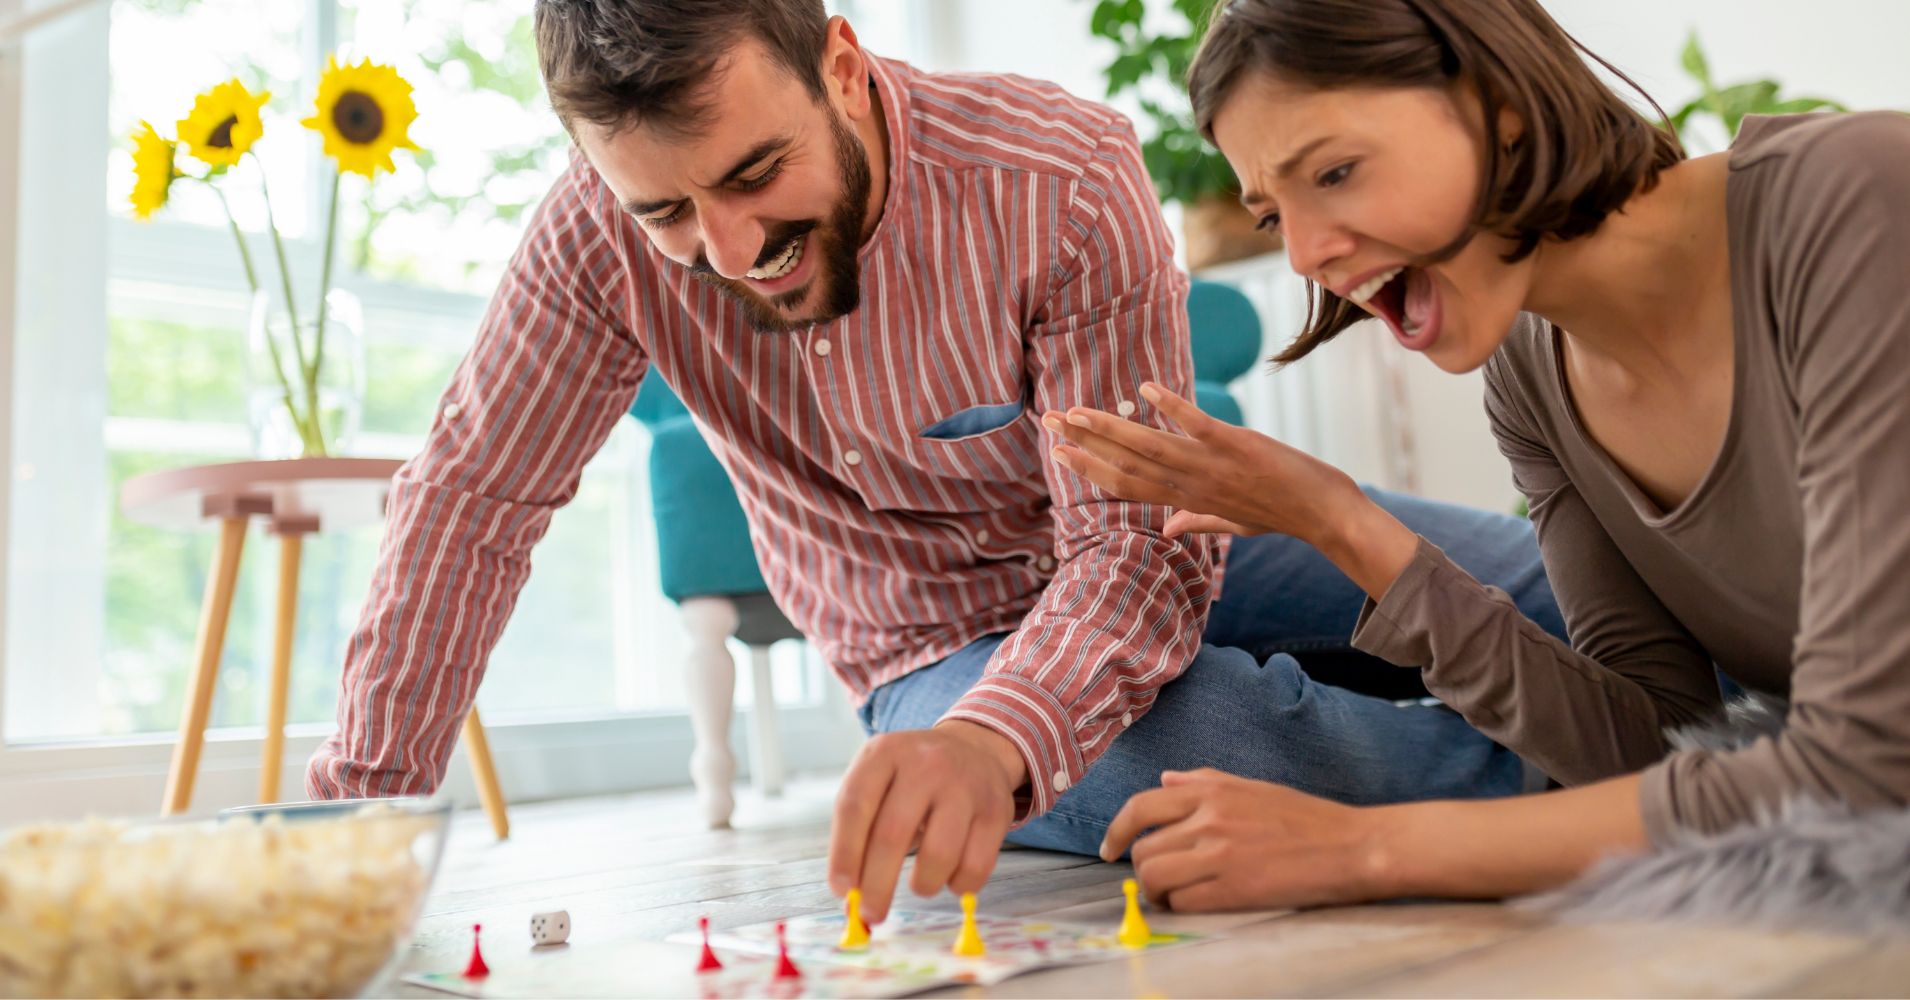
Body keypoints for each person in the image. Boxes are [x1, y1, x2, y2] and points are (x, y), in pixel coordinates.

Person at [305, 0, 1564, 922]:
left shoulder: (1059, 175)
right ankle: (1637, 793)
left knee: (1543, 582)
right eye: (669, 213)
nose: (733, 249)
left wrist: (1001, 733)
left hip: (1171, 539)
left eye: (755, 173)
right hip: (926, 651)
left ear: (841, 68)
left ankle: (1664, 726)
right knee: (1198, 742)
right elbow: (469, 505)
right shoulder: (589, 241)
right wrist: (357, 826)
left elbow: (1131, 545)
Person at [1048, 0, 1910, 911]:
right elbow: (1657, 749)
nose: (1306, 254)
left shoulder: (1850, 199)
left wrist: (1370, 847)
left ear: (1499, 102)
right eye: (1272, 217)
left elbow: (1867, 764)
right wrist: (1341, 524)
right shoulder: (1531, 378)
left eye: (1334, 172)